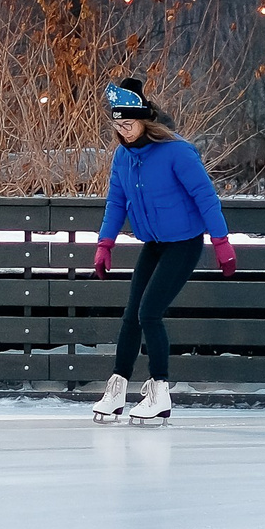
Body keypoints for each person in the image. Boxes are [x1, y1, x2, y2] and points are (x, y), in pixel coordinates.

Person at [90, 78, 236, 424]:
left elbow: (205, 196)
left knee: (149, 313)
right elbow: (116, 202)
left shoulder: (177, 152)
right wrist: (105, 243)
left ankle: (159, 392)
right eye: (118, 125)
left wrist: (221, 241)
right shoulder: (123, 157)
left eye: (129, 124)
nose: (123, 131)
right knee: (131, 316)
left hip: (184, 243)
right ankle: (117, 388)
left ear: (145, 121)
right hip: (154, 243)